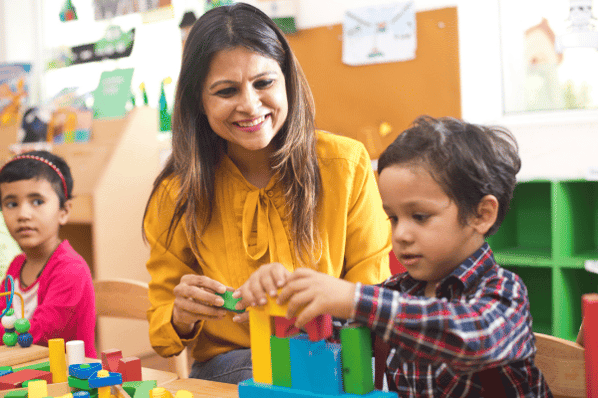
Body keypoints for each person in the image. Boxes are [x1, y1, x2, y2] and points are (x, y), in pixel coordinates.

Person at [142, 2, 391, 385]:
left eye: (264, 82)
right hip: (233, 364)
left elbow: (374, 296)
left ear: (287, 79)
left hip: (334, 353)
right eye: (226, 91)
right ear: (198, 103)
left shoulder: (345, 164)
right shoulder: (177, 191)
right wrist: (181, 314)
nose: (250, 104)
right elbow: (163, 332)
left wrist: (304, 304)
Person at [241, 116, 553, 397]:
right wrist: (284, 298)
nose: (401, 234)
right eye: (393, 218)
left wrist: (353, 298)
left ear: (481, 215)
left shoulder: (505, 292)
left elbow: (471, 339)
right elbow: (331, 333)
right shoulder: (398, 292)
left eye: (419, 216)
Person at [0, 150, 97, 358]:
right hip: (20, 373)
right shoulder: (16, 265)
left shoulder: (71, 270)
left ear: (64, 211)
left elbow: (38, 337)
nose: (23, 215)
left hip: (65, 384)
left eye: (37, 201)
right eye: (11, 204)